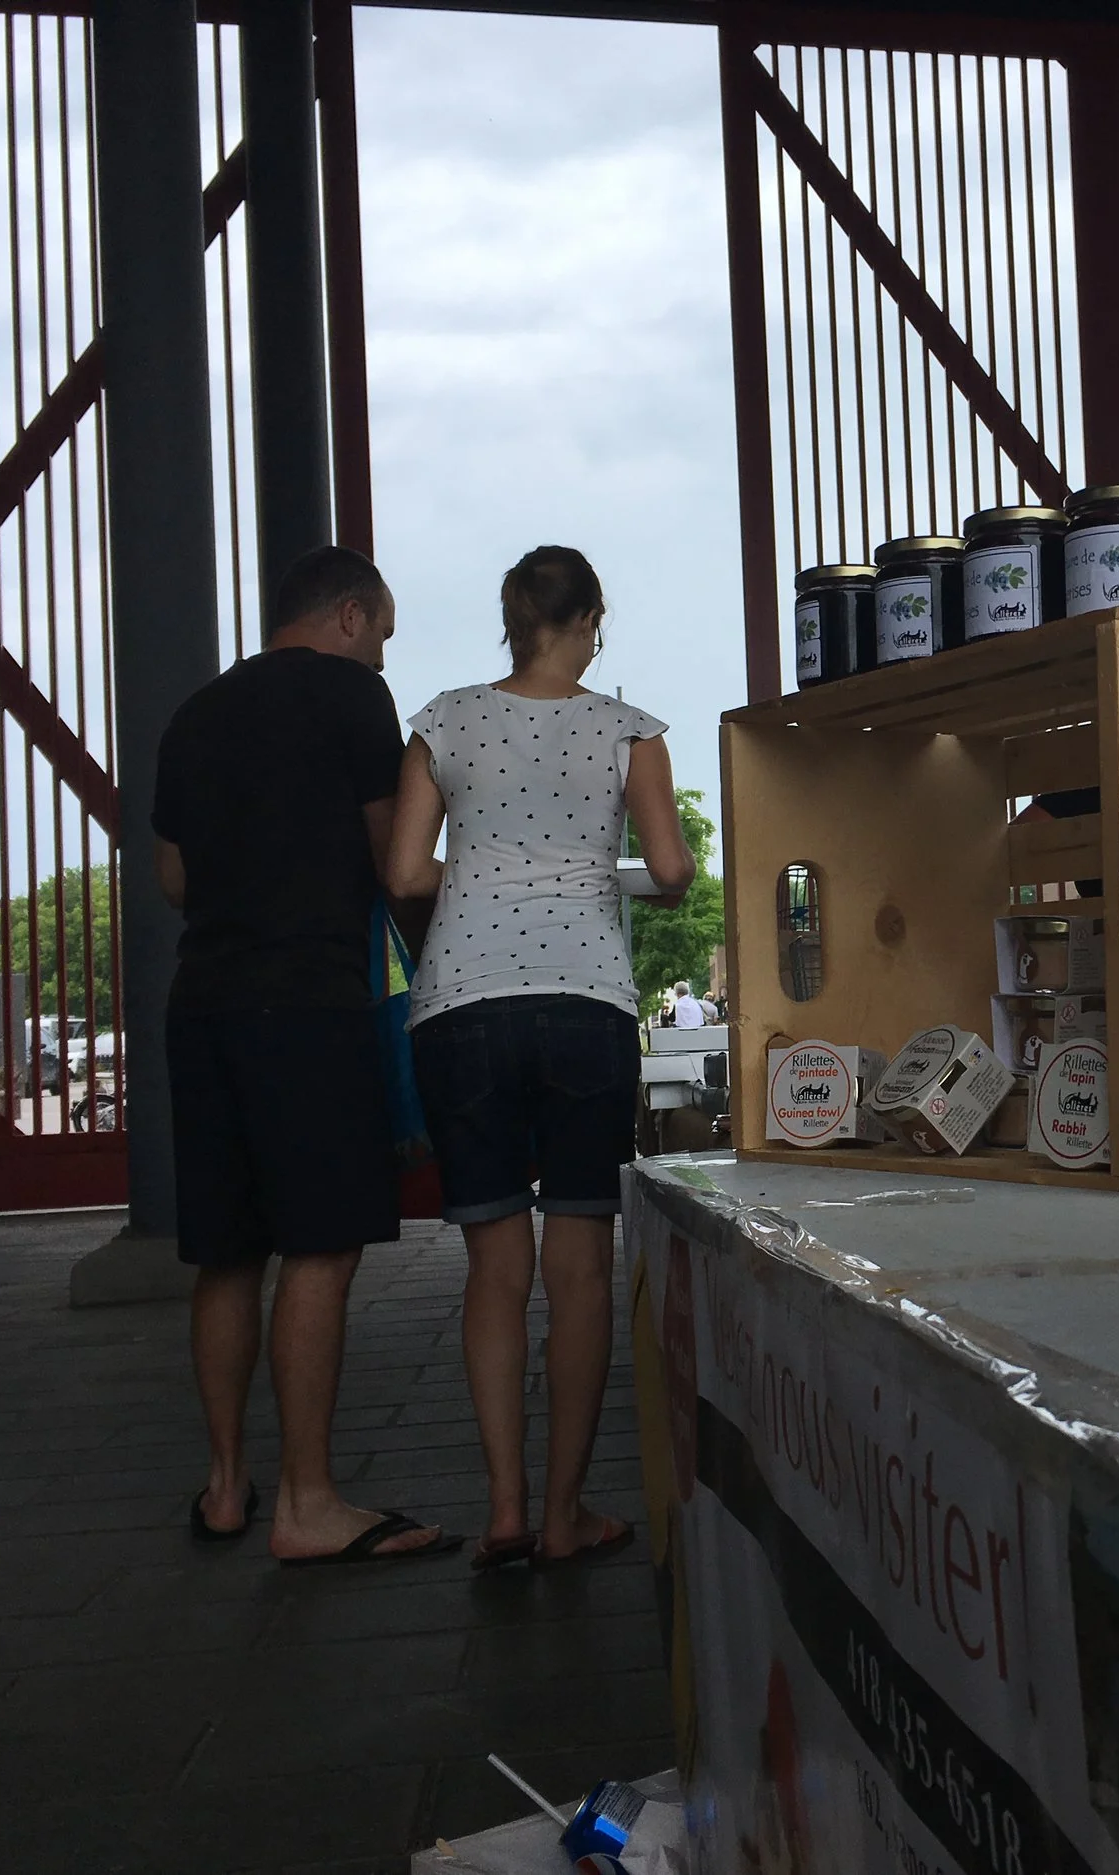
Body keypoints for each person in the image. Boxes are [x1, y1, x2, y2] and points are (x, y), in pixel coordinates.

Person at [386, 545, 695, 1569]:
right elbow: (669, 867)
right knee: (577, 1267)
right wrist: (576, 870)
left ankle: (507, 1510)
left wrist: (491, 866)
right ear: (591, 618)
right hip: (583, 1002)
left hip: (459, 1005)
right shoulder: (628, 731)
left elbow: (404, 870)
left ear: (511, 619)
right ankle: (568, 1518)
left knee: (492, 1267)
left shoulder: (441, 719)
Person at [153, 545, 458, 1562]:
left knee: (228, 1251)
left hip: (203, 1003)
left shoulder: (195, 713)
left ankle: (229, 1486)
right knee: (320, 1247)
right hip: (310, 1002)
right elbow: (396, 863)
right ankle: (309, 1504)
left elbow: (173, 879)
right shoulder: (349, 698)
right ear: (347, 616)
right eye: (381, 634)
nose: (380, 657)